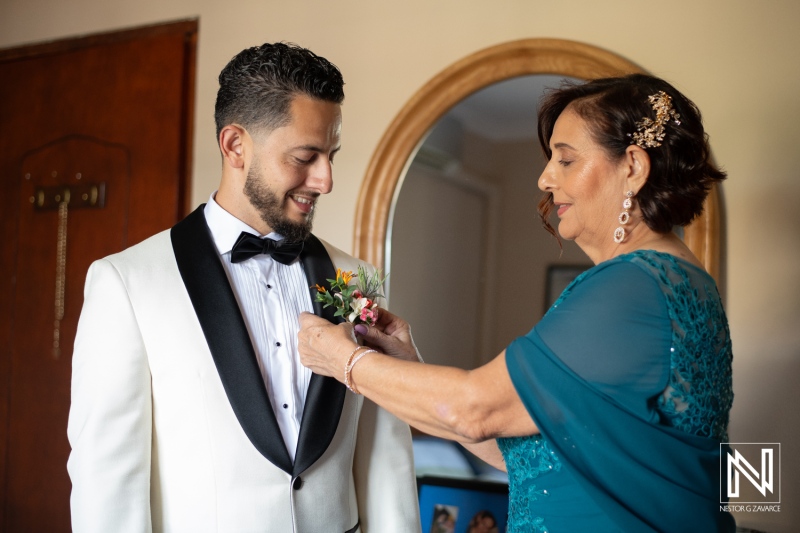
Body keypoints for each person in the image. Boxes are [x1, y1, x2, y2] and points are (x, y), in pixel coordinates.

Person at [298, 74, 736, 532]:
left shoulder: (631, 287)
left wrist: (342, 359)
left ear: (633, 167)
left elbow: (474, 411)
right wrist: (409, 362)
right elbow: (520, 452)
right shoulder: (676, 278)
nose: (545, 178)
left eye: (565, 160)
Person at [67, 42, 420, 533]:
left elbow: (385, 457)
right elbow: (106, 485)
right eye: (306, 156)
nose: (325, 180)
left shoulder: (355, 279)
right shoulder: (126, 283)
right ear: (235, 146)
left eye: (331, 156)